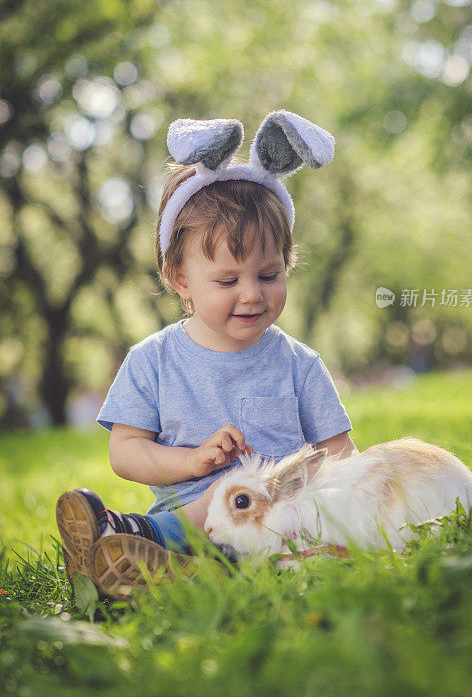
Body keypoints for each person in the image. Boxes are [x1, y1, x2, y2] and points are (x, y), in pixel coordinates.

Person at [56, 110, 358, 599]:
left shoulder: (300, 365)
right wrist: (191, 461)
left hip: (281, 522)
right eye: (227, 281)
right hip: (191, 525)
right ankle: (138, 549)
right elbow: (125, 451)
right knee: (214, 499)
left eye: (268, 275)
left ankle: (133, 548)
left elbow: (339, 453)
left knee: (249, 494)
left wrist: (355, 504)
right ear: (180, 279)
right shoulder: (151, 360)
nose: (252, 295)